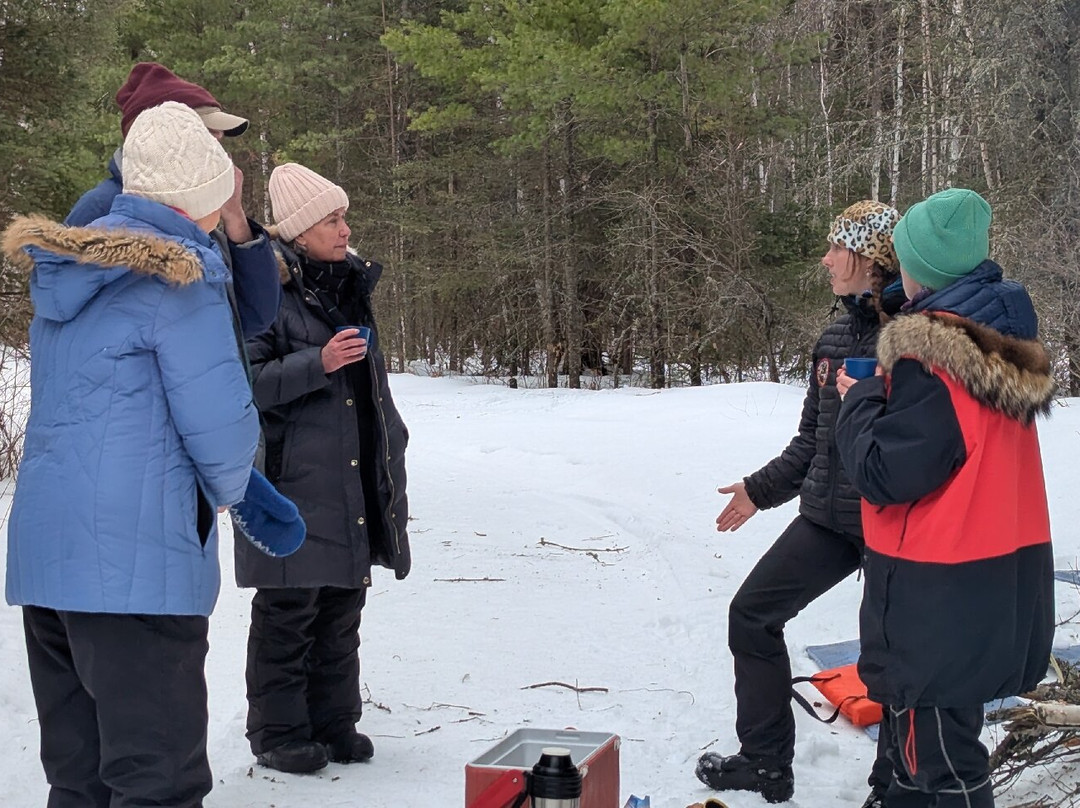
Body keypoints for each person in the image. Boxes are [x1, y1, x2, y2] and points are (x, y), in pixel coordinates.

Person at [2, 102, 260, 807]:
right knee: (156, 779)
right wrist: (239, 491)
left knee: (79, 778)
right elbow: (224, 434)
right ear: (198, 196)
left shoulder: (71, 275)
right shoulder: (179, 280)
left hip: (49, 558)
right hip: (135, 564)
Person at [835, 188, 1055, 808]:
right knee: (921, 757)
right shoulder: (995, 343)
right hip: (991, 584)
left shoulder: (934, 357)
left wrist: (859, 401)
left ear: (918, 267)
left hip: (940, 593)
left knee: (942, 765)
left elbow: (884, 472)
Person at [695, 201, 904, 806]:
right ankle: (765, 765)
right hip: (829, 520)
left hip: (892, 523)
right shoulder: (835, 334)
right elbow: (812, 441)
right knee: (751, 615)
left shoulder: (912, 334)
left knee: (890, 657)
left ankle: (893, 787)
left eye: (836, 247)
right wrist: (758, 491)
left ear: (869, 258)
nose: (825, 258)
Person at [235, 162, 412, 774]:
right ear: (301, 230)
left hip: (353, 475)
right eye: (331, 219)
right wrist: (319, 362)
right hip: (292, 484)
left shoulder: (349, 285)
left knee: (341, 609)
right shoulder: (265, 292)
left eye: (343, 216)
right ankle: (278, 734)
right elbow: (247, 383)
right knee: (289, 613)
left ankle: (336, 722)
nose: (344, 228)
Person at [66, 62, 280, 339]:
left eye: (219, 136)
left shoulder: (201, 210)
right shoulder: (101, 208)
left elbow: (252, 319)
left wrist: (235, 218)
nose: (218, 146)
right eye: (207, 133)